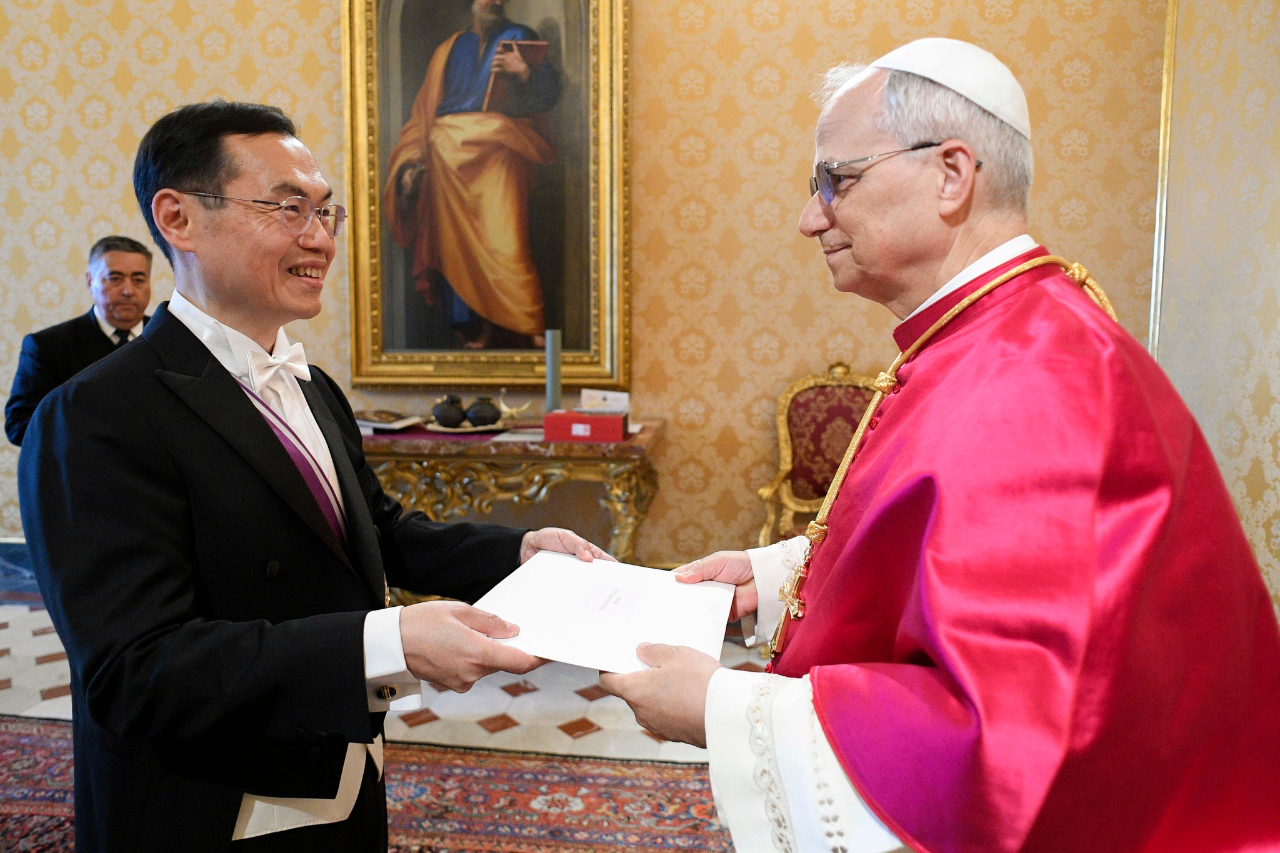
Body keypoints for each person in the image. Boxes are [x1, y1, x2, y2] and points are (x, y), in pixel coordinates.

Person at [602, 38, 1280, 853]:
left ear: (952, 174)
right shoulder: (993, 335)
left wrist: (722, 706)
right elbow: (946, 552)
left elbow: (1005, 744)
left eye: (837, 180)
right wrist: (776, 579)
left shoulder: (1038, 375)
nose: (810, 217)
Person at [18, 100, 609, 852]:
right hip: (209, 804)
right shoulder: (93, 415)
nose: (321, 238)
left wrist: (518, 553)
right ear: (179, 218)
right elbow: (136, 673)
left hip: (339, 766)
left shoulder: (312, 385)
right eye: (287, 208)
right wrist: (386, 643)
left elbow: (374, 532)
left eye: (326, 211)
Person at [384, 0, 559, 349]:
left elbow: (549, 96)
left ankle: (528, 322)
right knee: (454, 247)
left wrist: (524, 71)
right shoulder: (448, 50)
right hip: (446, 157)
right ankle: (473, 329)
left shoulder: (519, 37)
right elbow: (423, 116)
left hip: (499, 151)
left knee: (506, 241)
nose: (495, 1)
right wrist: (411, 162)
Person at [5, 235, 153, 446]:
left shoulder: (170, 337)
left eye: (138, 280)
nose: (128, 291)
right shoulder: (49, 346)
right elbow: (19, 426)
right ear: (90, 282)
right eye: (114, 278)